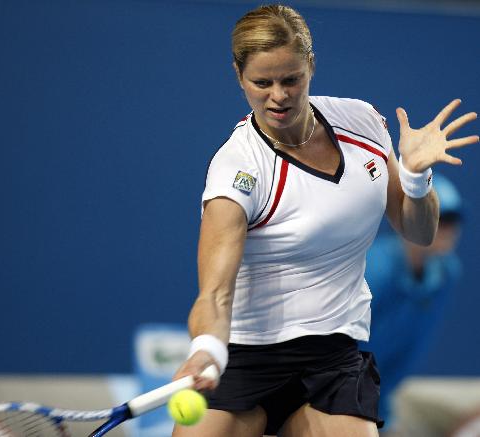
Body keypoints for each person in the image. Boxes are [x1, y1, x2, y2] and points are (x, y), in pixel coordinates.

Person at [171, 4, 478, 437]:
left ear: (310, 66)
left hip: (331, 359)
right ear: (239, 77)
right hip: (246, 355)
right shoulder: (236, 169)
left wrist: (414, 177)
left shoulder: (363, 124)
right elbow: (216, 294)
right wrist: (206, 349)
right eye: (262, 83)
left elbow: (420, 230)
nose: (278, 95)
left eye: (290, 79)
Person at [364, 173, 464, 433]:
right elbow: (338, 349)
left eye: (454, 219)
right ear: (411, 218)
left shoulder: (446, 273)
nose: (448, 229)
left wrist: (379, 411)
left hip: (377, 404)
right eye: (441, 218)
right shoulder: (376, 268)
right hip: (331, 399)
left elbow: (409, 352)